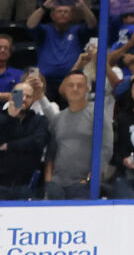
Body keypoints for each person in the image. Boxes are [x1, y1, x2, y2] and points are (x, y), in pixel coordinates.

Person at [41, 71, 106, 199]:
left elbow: (106, 149)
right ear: (65, 89)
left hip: (83, 185)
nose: (75, 89)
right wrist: (49, 181)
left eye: (79, 85)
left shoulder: (97, 116)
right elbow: (50, 154)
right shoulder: (58, 118)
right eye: (71, 85)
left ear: (87, 89)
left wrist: (89, 179)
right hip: (56, 185)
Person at [0, 78, 50, 198]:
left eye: (28, 96)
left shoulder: (39, 120)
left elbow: (38, 142)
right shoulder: (1, 118)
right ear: (11, 96)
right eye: (20, 95)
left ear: (33, 99)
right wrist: (11, 118)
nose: (23, 99)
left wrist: (10, 145)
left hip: (26, 184)